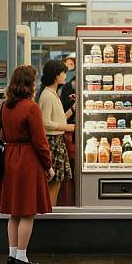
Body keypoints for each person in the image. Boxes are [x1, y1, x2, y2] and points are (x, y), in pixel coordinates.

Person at [0, 65, 55, 264]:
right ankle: (22, 256)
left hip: (10, 158)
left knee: (14, 212)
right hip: (27, 160)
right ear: (30, 84)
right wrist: (48, 165)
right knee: (28, 212)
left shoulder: (4, 106)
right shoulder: (31, 107)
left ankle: (12, 255)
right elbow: (40, 142)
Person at [38, 60, 75, 206]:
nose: (65, 75)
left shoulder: (52, 93)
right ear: (56, 75)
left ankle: (49, 211)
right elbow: (45, 123)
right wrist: (68, 128)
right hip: (52, 142)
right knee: (54, 182)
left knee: (57, 181)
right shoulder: (47, 96)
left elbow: (58, 119)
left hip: (56, 142)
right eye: (63, 72)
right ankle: (49, 213)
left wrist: (73, 109)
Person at [59, 75, 77, 206]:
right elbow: (61, 119)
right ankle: (69, 201)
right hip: (69, 140)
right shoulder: (51, 97)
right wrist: (75, 107)